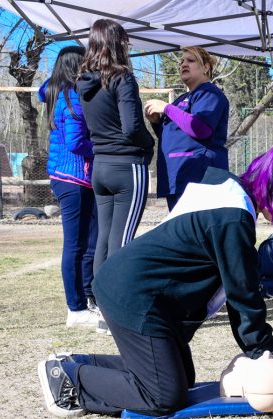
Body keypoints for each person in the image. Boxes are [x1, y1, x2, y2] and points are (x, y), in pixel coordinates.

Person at [37, 144, 273, 418]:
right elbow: (240, 293)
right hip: (134, 296)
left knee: (182, 377)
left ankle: (78, 363)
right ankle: (70, 379)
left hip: (141, 293)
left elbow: (235, 284)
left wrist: (261, 343)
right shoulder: (233, 216)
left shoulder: (229, 195)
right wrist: (264, 345)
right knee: (163, 394)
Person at [77, 19, 154, 275]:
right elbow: (131, 127)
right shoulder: (122, 79)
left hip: (100, 167)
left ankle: (101, 301)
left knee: (105, 238)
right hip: (126, 167)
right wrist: (150, 142)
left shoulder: (84, 83)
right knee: (122, 242)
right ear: (117, 43)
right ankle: (116, 305)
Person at [38, 46, 100, 328]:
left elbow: (43, 88)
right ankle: (75, 309)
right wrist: (100, 148)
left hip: (65, 176)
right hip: (73, 176)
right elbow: (76, 143)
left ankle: (85, 299)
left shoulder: (54, 91)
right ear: (77, 65)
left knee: (84, 243)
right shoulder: (71, 95)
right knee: (75, 246)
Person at [144, 47, 230, 211]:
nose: (183, 64)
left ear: (206, 68)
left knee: (196, 234)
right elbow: (174, 138)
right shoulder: (181, 99)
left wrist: (166, 108)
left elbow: (200, 129)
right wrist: (156, 122)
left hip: (198, 179)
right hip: (176, 178)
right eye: (182, 61)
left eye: (191, 61)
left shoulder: (210, 94)